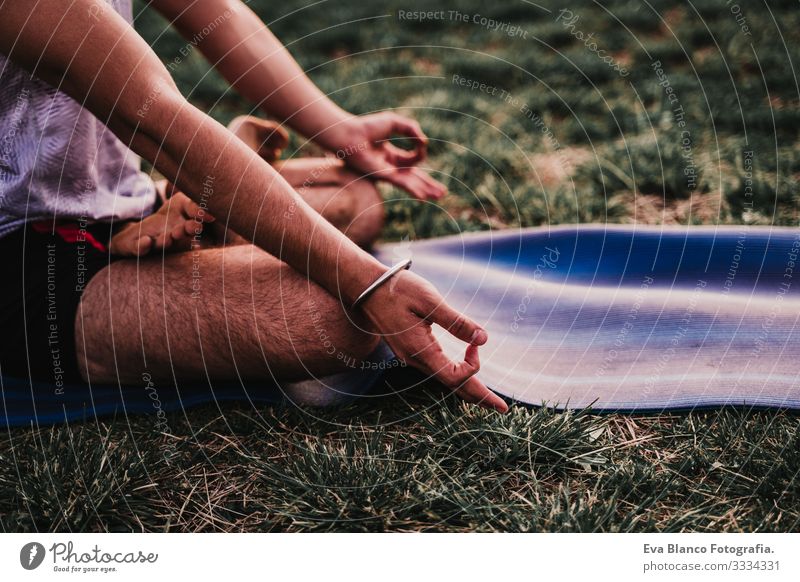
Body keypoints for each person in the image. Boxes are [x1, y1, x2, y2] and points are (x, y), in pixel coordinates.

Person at [0, 0, 508, 412]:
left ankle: (199, 201)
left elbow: (220, 15)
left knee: (357, 201)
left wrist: (341, 131)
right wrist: (367, 281)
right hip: (26, 257)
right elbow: (153, 117)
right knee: (338, 319)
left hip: (120, 198)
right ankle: (206, 192)